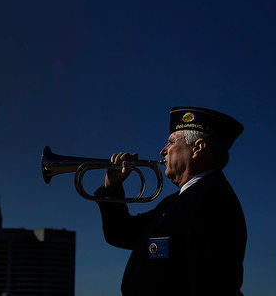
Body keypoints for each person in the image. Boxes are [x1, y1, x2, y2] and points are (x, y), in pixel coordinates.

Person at [94, 106, 247, 296]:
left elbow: (209, 282)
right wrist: (111, 188)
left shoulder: (213, 200)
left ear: (197, 148)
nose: (162, 151)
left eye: (171, 142)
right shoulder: (177, 201)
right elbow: (120, 233)